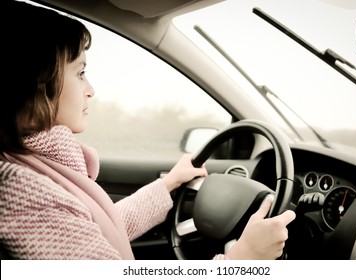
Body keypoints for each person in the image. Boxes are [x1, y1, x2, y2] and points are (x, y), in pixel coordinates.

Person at [0, 0, 295, 260]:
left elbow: (102, 229)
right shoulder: (20, 190)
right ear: (33, 87)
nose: (91, 90)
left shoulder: (31, 166)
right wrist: (244, 259)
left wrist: (168, 185)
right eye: (80, 73)